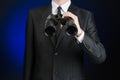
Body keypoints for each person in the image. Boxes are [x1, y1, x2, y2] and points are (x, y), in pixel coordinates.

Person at [23, 0, 106, 80]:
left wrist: (80, 33)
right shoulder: (34, 15)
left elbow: (100, 57)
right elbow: (29, 58)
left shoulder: (86, 16)